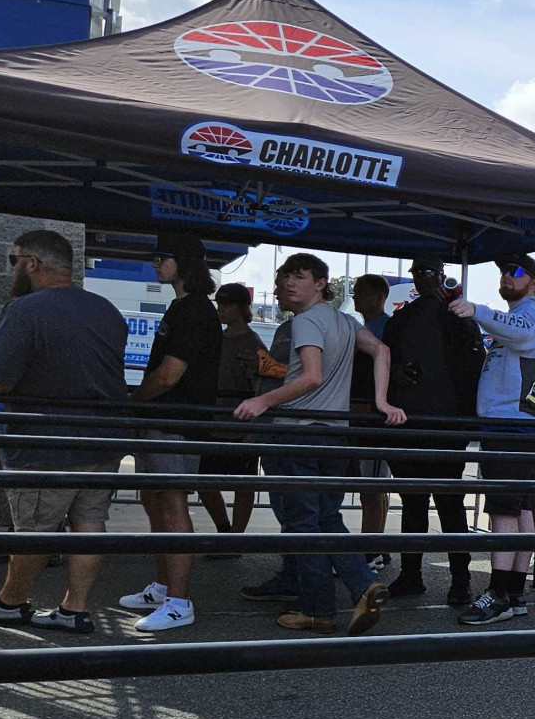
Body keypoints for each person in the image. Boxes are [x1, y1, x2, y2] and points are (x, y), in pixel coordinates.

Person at [0, 230, 129, 633]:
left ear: (32, 264)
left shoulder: (25, 310)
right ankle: (75, 610)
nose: (13, 269)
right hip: (103, 440)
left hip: (44, 443)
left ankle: (10, 603)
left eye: (13, 260)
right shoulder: (107, 310)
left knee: (34, 529)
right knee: (89, 524)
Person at [234, 253, 398, 634]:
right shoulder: (345, 320)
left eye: (300, 276)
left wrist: (262, 401)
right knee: (326, 519)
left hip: (300, 432)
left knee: (304, 525)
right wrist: (382, 401)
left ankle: (319, 609)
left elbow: (311, 377)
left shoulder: (306, 321)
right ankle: (363, 585)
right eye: (286, 276)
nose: (289, 283)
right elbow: (382, 351)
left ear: (321, 284)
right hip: (334, 435)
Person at [118, 232, 223, 632]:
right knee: (156, 500)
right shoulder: (181, 307)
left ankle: (179, 601)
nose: (155, 263)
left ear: (184, 262)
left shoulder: (193, 310)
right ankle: (163, 588)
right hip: (163, 421)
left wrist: (133, 402)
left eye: (163, 256)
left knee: (173, 504)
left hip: (175, 423)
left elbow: (168, 375)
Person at [450, 257, 535, 625]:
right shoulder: (527, 313)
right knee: (519, 508)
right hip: (513, 422)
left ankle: (497, 594)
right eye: (503, 272)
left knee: (503, 510)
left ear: (534, 281)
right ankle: (513, 591)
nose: (507, 277)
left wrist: (477, 310)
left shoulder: (534, 312)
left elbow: (522, 332)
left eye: (516, 272)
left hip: (513, 423)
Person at [382, 260, 483, 603]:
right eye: (419, 273)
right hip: (410, 423)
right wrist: (395, 375)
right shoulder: (402, 319)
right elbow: (383, 360)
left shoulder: (456, 317)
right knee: (413, 505)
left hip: (446, 425)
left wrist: (468, 420)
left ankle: (460, 579)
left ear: (441, 275)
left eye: (430, 273)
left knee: (451, 506)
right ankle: (412, 574)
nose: (425, 279)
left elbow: (474, 367)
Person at [198, 283, 266, 548]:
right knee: (205, 482)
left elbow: (261, 388)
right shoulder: (215, 338)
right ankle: (225, 530)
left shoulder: (253, 344)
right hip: (214, 423)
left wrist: (253, 428)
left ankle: (235, 538)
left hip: (242, 426)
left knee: (243, 486)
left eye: (227, 304)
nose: (221, 308)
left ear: (242, 308)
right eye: (220, 303)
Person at [348, 273, 395, 554]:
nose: (354, 296)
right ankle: (375, 544)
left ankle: (370, 549)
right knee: (376, 484)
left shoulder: (383, 330)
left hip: (372, 415)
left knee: (371, 486)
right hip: (367, 413)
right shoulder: (373, 326)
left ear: (379, 298)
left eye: (360, 292)